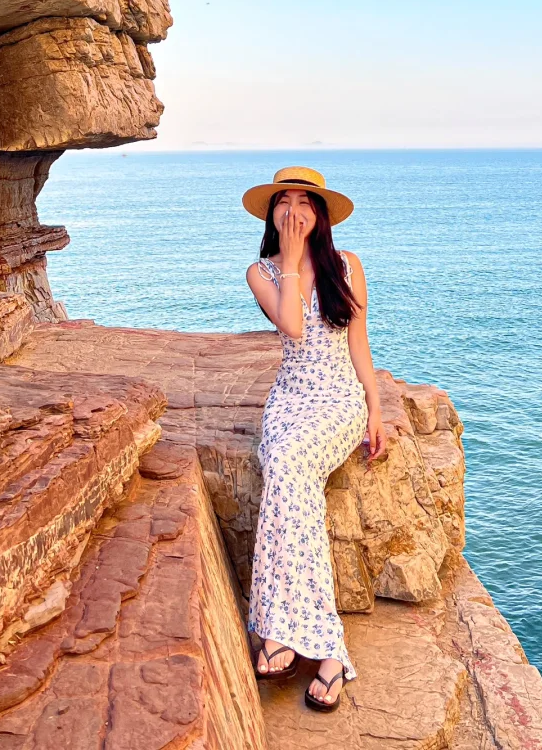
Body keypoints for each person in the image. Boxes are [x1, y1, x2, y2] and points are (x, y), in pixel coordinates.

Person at [242, 166, 387, 714]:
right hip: (291, 398)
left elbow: (359, 344)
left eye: (305, 202)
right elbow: (294, 329)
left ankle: (287, 633)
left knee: (290, 471)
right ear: (272, 213)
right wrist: (291, 255)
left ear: (320, 214)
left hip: (338, 402)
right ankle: (318, 642)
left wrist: (374, 408)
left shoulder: (348, 265)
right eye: (285, 202)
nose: (295, 210)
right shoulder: (260, 271)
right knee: (282, 466)